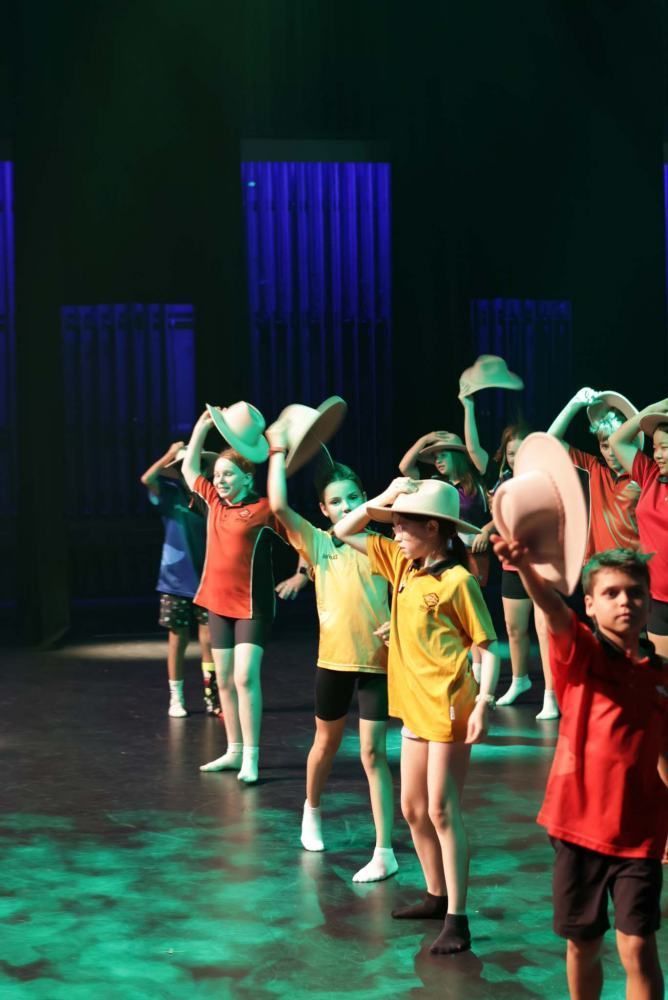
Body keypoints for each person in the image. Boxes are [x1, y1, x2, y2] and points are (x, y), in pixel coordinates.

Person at [493, 537, 668, 1000]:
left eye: (634, 592)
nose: (625, 601)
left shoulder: (661, 677)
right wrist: (526, 571)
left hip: (640, 836)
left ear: (649, 601)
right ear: (590, 603)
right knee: (583, 945)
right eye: (611, 593)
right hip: (577, 832)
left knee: (638, 947)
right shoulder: (582, 656)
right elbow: (552, 612)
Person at [334, 477, 499, 954]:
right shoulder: (404, 564)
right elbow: (344, 531)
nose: (396, 532)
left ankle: (458, 918)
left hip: (449, 707)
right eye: (395, 525)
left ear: (433, 527)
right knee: (411, 808)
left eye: (404, 524)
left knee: (442, 810)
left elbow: (488, 648)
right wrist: (384, 499)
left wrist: (484, 702)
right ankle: (435, 894)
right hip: (412, 708)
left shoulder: (457, 580)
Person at [266, 428, 397, 883]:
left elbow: (409, 591)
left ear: (365, 499)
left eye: (352, 498)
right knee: (325, 744)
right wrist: (279, 452)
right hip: (334, 663)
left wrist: (396, 623)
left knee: (373, 754)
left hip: (379, 664)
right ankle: (312, 810)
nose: (345, 507)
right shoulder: (319, 544)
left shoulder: (386, 544)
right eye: (336, 502)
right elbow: (279, 507)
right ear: (323, 510)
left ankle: (384, 849)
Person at [182, 409, 289, 784]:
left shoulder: (264, 510)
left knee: (245, 678)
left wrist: (303, 576)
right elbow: (187, 469)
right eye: (217, 476)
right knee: (224, 680)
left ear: (247, 477)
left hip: (252, 607)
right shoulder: (212, 501)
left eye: (228, 474)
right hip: (216, 602)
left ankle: (253, 756)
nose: (220, 480)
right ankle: (234, 750)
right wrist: (200, 430)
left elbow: (303, 541)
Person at [472, 423, 555, 710]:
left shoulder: (545, 479)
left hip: (540, 563)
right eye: (510, 452)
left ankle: (551, 694)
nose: (515, 457)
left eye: (520, 451)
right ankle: (520, 679)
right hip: (511, 564)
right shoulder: (502, 481)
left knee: (544, 630)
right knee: (513, 627)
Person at [140, 440, 218, 718]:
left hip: (207, 577)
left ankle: (212, 697)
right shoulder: (169, 494)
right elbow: (147, 478)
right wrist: (169, 454)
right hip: (175, 580)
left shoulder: (210, 497)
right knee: (178, 639)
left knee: (209, 639)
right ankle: (177, 698)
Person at [610, 398, 668, 658]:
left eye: (664, 448)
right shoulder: (650, 474)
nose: (657, 454)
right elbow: (617, 440)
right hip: (657, 597)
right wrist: (657, 407)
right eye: (655, 447)